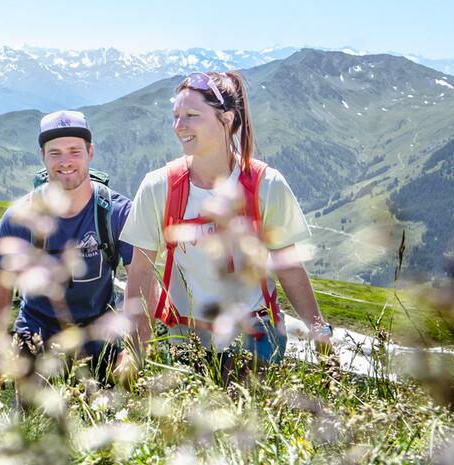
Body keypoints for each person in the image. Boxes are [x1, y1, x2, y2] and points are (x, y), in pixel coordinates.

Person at [118, 71, 332, 377]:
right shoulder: (159, 186)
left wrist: (319, 332)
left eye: (192, 115)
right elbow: (140, 270)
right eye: (175, 116)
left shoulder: (266, 184)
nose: (179, 126)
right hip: (185, 340)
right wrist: (135, 346)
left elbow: (288, 266)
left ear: (227, 119)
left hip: (256, 339)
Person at [0, 111, 149, 388]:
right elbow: (0, 289)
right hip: (35, 339)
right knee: (33, 427)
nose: (65, 161)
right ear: (43, 157)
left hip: (100, 341)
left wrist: (133, 349)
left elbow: (141, 282)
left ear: (90, 152)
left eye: (74, 151)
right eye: (55, 153)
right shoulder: (20, 217)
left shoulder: (117, 213)